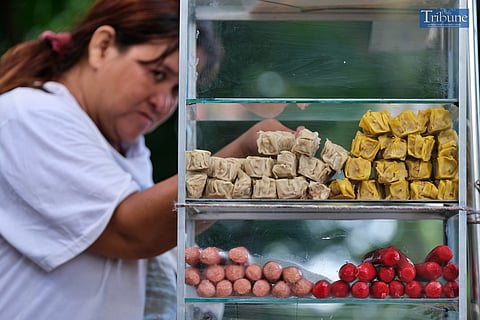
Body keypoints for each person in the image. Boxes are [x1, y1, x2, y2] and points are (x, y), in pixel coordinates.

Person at [0, 0, 293, 319]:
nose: (162, 102)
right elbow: (130, 231)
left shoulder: (130, 151)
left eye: (177, 89)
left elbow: (136, 264)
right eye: (156, 73)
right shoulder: (28, 115)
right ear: (102, 46)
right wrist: (240, 157)